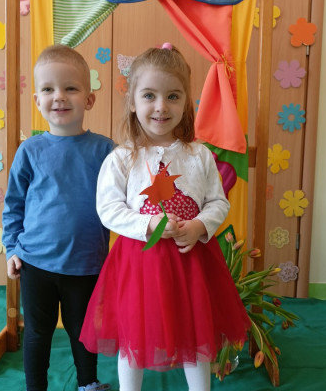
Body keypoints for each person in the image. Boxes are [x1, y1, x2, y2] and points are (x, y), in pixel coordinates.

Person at [79, 43, 251, 391]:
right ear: (133, 101)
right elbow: (108, 209)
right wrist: (148, 224)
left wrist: (200, 225)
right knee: (134, 333)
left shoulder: (199, 155)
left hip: (192, 262)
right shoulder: (122, 158)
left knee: (195, 331)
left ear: (187, 102)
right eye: (149, 96)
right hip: (139, 263)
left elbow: (218, 202)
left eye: (173, 96)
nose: (161, 106)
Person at [2, 44, 113, 391]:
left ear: (89, 100)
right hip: (35, 263)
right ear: (37, 101)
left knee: (84, 331)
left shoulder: (106, 151)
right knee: (38, 332)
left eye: (70, 88)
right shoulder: (29, 151)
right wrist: (11, 247)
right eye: (48, 89)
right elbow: (13, 204)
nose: (59, 97)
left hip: (86, 264)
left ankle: (88, 383)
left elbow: (125, 198)